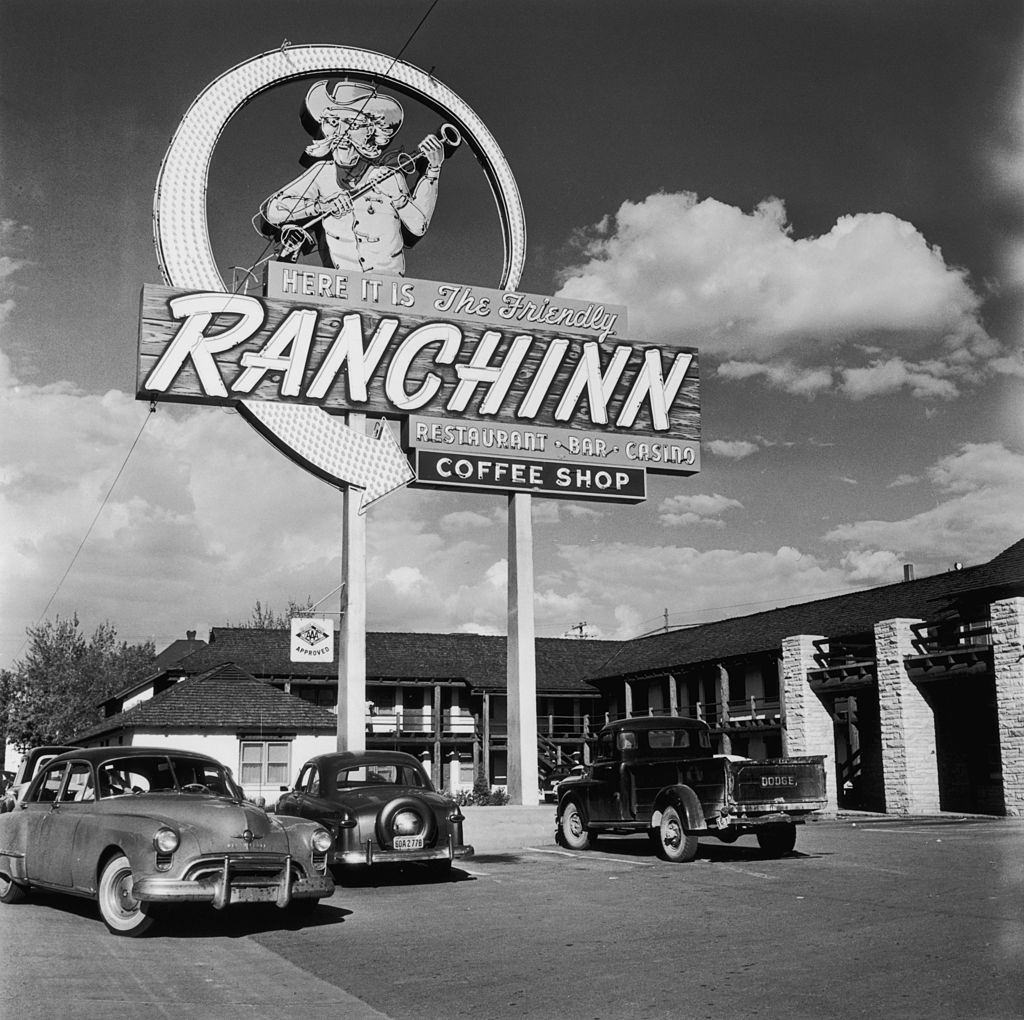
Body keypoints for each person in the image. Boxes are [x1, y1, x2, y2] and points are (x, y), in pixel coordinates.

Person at [258, 80, 445, 275]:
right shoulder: (322, 173)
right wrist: (323, 206)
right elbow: (274, 210)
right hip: (339, 290)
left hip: (392, 293)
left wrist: (432, 169)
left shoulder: (389, 177)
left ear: (372, 131)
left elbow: (417, 227)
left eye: (353, 124)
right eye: (333, 122)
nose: (341, 133)